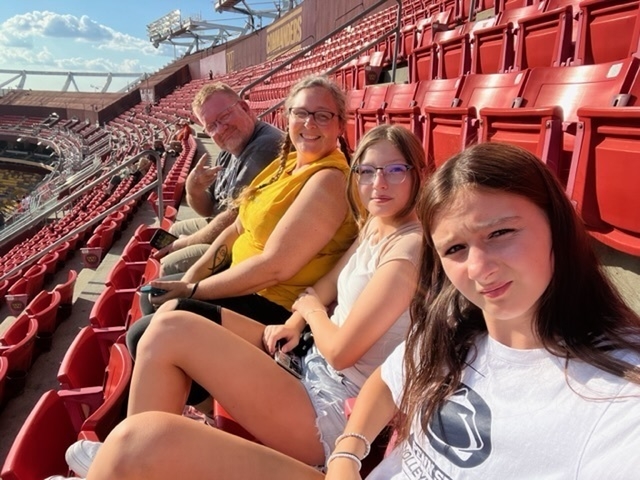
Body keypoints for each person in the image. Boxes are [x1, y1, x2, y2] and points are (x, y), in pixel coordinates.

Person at [58, 124, 427, 480]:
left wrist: (311, 312)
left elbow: (342, 352)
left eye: (395, 170)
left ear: (417, 174)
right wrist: (295, 322)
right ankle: (127, 461)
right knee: (166, 328)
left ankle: (126, 458)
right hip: (310, 360)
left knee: (167, 334)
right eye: (367, 171)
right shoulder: (378, 224)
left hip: (333, 407)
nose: (378, 183)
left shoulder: (408, 250)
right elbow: (326, 285)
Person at [323, 142, 640, 480]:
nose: (478, 269)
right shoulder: (451, 325)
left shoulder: (618, 397)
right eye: (455, 249)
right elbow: (389, 380)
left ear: (556, 224)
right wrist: (347, 454)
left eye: (500, 233)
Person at [126, 74, 357, 362]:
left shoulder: (330, 180)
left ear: (340, 125)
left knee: (144, 335)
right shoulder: (285, 163)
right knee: (152, 296)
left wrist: (192, 291)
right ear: (288, 118)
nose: (309, 123)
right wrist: (190, 279)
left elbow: (275, 268)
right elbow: (236, 227)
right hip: (245, 284)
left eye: (322, 115)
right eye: (300, 113)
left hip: (273, 307)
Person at [156, 83, 284, 275]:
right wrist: (193, 190)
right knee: (173, 231)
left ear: (244, 108)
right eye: (211, 126)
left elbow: (232, 220)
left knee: (170, 265)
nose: (221, 129)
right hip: (224, 228)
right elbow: (209, 209)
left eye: (224, 116)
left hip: (242, 239)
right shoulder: (229, 148)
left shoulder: (265, 147)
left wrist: (185, 243)